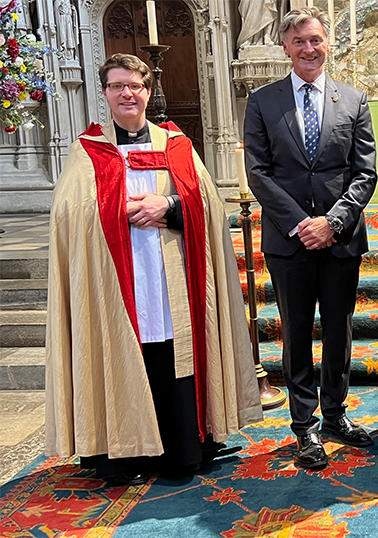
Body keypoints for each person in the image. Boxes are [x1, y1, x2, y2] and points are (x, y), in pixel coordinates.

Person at [45, 53, 263, 485]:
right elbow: (67, 217)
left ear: (147, 91)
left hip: (172, 278)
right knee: (124, 353)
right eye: (117, 86)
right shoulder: (87, 151)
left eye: (135, 85)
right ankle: (124, 454)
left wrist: (171, 205)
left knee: (173, 351)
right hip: (116, 280)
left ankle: (185, 446)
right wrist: (117, 210)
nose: (127, 93)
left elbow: (208, 205)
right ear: (105, 93)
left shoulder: (176, 144)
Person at [244, 7, 378, 469]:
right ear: (285, 46)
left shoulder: (354, 100)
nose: (308, 48)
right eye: (299, 41)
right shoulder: (262, 101)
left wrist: (334, 222)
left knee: (339, 331)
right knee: (297, 332)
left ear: (328, 44)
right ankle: (305, 427)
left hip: (340, 240)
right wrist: (303, 223)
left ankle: (336, 414)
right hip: (289, 241)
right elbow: (258, 173)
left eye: (316, 40)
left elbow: (364, 173)